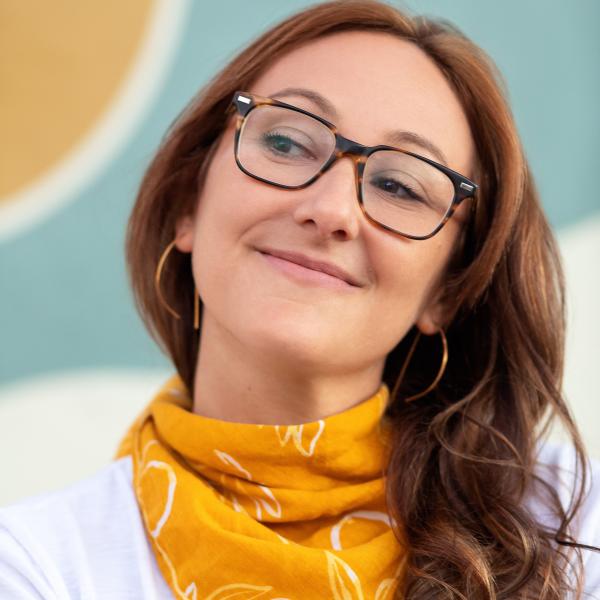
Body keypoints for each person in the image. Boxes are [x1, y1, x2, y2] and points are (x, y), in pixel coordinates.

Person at [1, 1, 599, 598]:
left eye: (399, 186)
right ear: (189, 201)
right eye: (287, 142)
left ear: (445, 290)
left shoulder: (567, 525)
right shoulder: (39, 566)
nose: (331, 209)